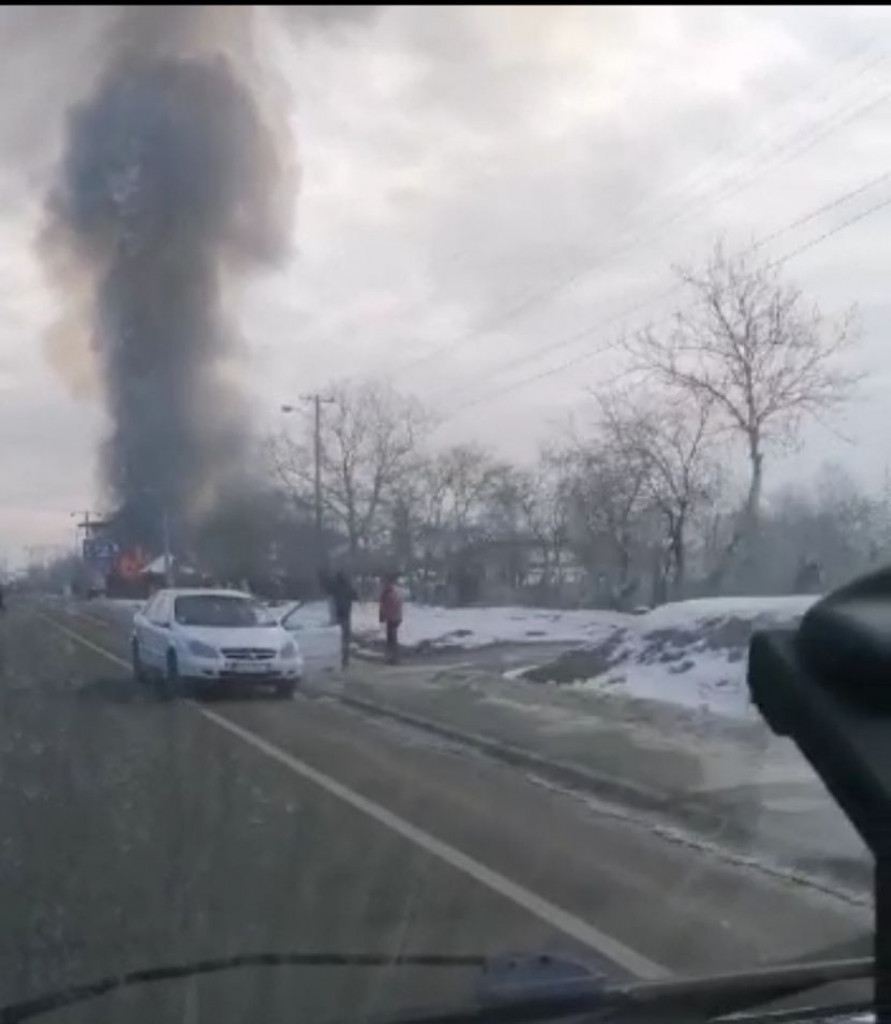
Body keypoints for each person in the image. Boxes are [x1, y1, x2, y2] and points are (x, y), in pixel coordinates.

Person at [327, 570, 357, 669]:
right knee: (345, 639)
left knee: (336, 638)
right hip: (346, 616)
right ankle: (345, 660)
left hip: (336, 616)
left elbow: (328, 593)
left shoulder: (335, 587)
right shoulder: (348, 587)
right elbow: (355, 596)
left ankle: (337, 658)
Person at [378, 573, 403, 665]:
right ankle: (393, 657)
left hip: (392, 618)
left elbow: (386, 607)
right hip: (394, 618)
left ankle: (393, 658)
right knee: (392, 638)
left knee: (391, 638)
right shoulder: (394, 592)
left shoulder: (389, 593)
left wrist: (383, 616)